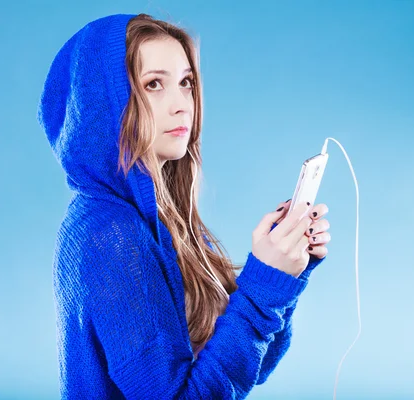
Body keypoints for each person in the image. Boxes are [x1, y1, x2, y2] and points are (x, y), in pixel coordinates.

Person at [37, 13, 331, 399]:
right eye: (153, 84)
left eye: (186, 83)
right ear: (102, 105)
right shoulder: (108, 232)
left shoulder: (164, 220)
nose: (182, 106)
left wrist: (282, 275)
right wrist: (261, 287)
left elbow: (247, 367)